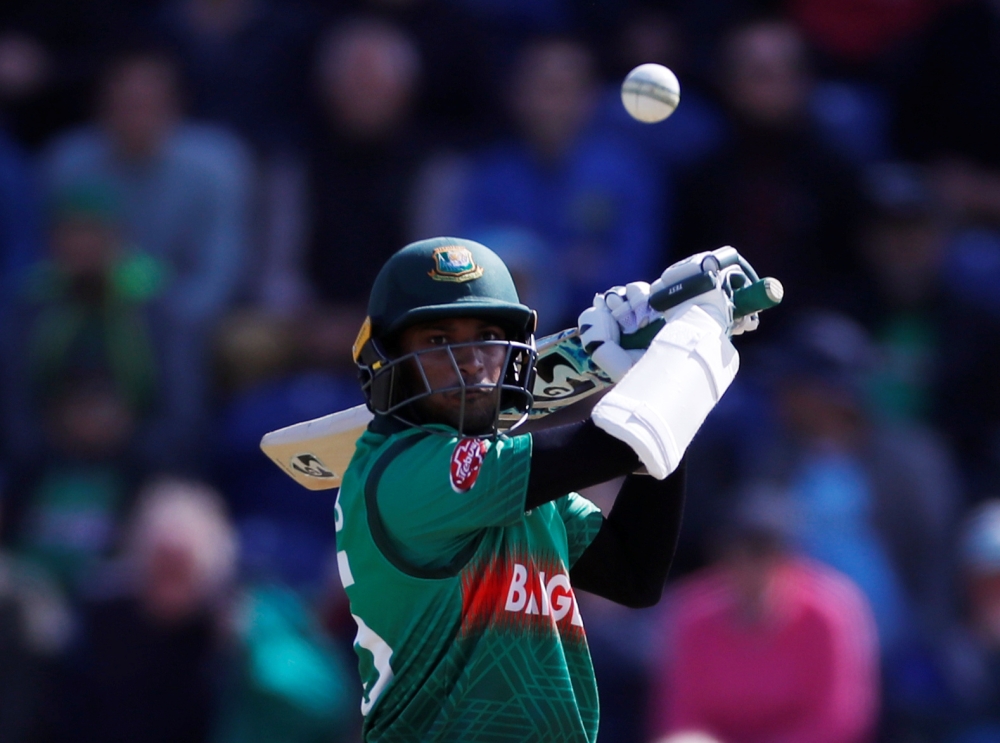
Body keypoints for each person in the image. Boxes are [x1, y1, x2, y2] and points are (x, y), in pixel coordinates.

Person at [334, 236, 759, 741]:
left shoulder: (514, 488)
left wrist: (658, 396)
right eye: (438, 340)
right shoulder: (404, 473)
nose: (470, 361)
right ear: (387, 355)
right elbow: (615, 446)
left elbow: (633, 574)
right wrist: (690, 340)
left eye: (487, 337)